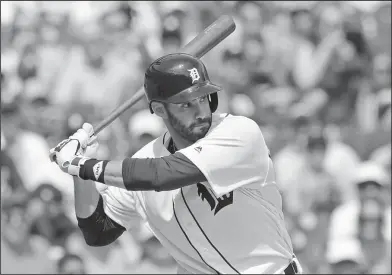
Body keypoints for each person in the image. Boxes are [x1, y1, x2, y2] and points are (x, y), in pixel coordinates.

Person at [49, 53, 301, 274]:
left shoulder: (238, 133)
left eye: (203, 98)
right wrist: (80, 175)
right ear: (159, 110)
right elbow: (97, 231)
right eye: (186, 104)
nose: (200, 111)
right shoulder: (143, 161)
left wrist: (81, 164)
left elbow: (164, 174)